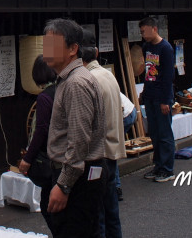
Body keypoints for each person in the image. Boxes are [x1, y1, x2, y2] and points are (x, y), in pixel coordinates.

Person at [44, 18, 105, 238]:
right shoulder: (69, 79)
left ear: (73, 49)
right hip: (81, 173)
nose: (46, 49)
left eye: (53, 43)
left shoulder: (75, 83)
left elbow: (79, 141)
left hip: (78, 178)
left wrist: (64, 185)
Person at [81, 29, 125, 238]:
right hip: (112, 150)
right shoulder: (108, 75)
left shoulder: (87, 80)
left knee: (96, 215)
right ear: (96, 53)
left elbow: (85, 124)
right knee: (111, 211)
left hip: (96, 155)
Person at [18, 55, 57, 235]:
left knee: (48, 204)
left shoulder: (44, 97)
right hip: (63, 153)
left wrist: (28, 158)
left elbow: (40, 130)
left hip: (50, 155)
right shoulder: (63, 88)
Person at [138, 16, 176, 182]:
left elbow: (168, 76)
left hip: (162, 97)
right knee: (154, 133)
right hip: (150, 96)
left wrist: (166, 101)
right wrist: (144, 94)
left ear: (154, 29)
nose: (143, 35)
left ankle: (168, 169)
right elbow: (147, 73)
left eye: (145, 31)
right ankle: (158, 165)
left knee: (164, 133)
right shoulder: (146, 47)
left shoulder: (165, 48)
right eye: (141, 32)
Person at [115, 92, 137, 200]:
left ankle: (116, 188)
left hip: (125, 114)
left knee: (110, 150)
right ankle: (114, 186)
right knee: (111, 149)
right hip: (129, 110)